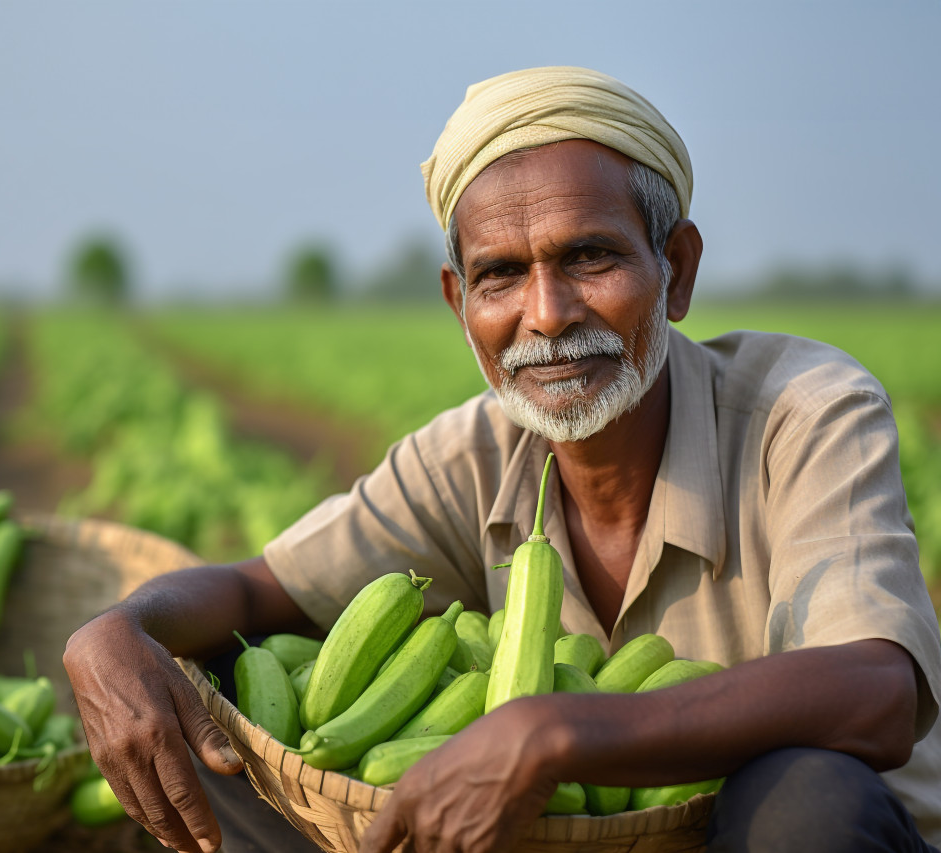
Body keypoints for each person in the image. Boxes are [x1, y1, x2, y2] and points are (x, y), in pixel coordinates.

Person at [63, 66, 941, 853]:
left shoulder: (804, 411)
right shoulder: (467, 456)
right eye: (501, 275)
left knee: (804, 800)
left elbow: (876, 688)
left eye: (589, 256)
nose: (548, 312)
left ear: (674, 269)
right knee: (220, 730)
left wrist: (562, 730)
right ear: (459, 300)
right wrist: (116, 628)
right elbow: (258, 591)